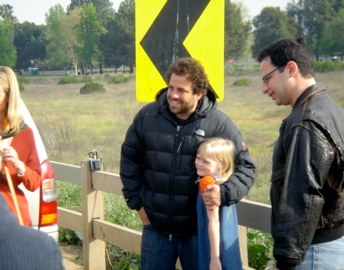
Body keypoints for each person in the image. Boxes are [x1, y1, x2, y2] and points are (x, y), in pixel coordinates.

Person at [120, 57, 256, 269]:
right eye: (170, 87)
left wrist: (224, 192)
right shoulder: (148, 116)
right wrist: (138, 205)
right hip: (156, 229)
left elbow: (246, 169)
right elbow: (129, 159)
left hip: (198, 232)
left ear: (199, 93)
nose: (172, 95)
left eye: (181, 90)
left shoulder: (219, 124)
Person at [257, 37, 344, 270]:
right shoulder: (333, 109)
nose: (264, 88)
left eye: (267, 78)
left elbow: (303, 194)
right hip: (333, 244)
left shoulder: (305, 121)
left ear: (291, 68)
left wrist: (286, 260)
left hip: (314, 252)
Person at [0, 66, 42, 226]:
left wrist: (18, 164)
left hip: (12, 218)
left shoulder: (23, 132)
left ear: (9, 97)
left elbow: (35, 183)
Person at [0, 177, 64, 270]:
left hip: (16, 211)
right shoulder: (44, 248)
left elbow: (34, 183)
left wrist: (21, 169)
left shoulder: (41, 247)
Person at [195, 137, 242, 270]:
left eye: (206, 161)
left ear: (222, 164)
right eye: (198, 158)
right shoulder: (225, 180)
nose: (199, 163)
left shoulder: (208, 183)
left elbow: (213, 222)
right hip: (228, 238)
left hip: (214, 244)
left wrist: (214, 259)